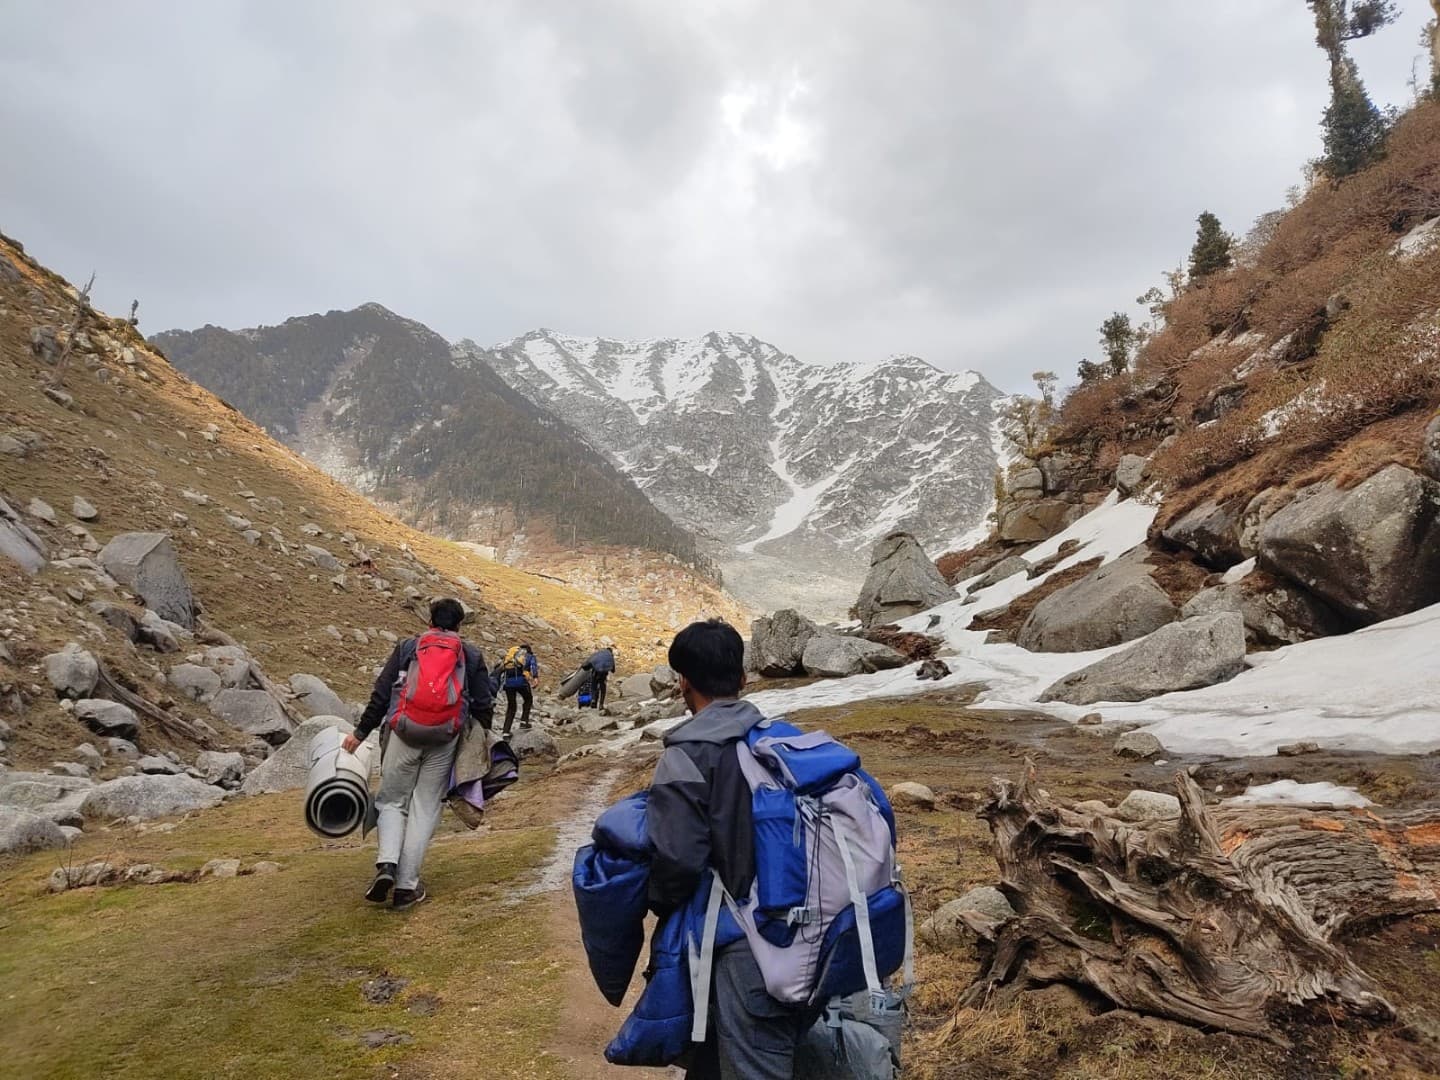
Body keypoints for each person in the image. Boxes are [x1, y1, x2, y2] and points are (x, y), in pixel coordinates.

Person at [646, 619, 820, 1079]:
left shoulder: (687, 754)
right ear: (743, 678)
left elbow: (677, 858)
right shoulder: (780, 742)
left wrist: (653, 899)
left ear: (682, 682)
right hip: (813, 926)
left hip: (747, 943)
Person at [343, 597, 493, 910]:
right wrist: (479, 741)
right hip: (444, 739)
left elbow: (382, 694)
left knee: (392, 802)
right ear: (459, 626)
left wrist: (360, 733)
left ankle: (387, 864)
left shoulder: (408, 648)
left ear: (428, 622)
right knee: (425, 808)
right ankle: (405, 888)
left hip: (403, 734)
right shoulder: (471, 654)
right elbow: (483, 703)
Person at [499, 642, 538, 737]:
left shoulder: (511, 655)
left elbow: (501, 668)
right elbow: (533, 666)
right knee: (528, 699)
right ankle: (524, 721)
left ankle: (506, 731)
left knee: (511, 706)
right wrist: (535, 678)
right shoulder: (529, 656)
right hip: (521, 682)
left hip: (508, 684)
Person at [584, 641, 615, 710]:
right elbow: (613, 670)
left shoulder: (598, 654)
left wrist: (586, 667)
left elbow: (589, 662)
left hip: (595, 673)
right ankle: (601, 704)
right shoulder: (610, 657)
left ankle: (593, 700)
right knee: (603, 689)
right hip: (603, 675)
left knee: (593, 687)